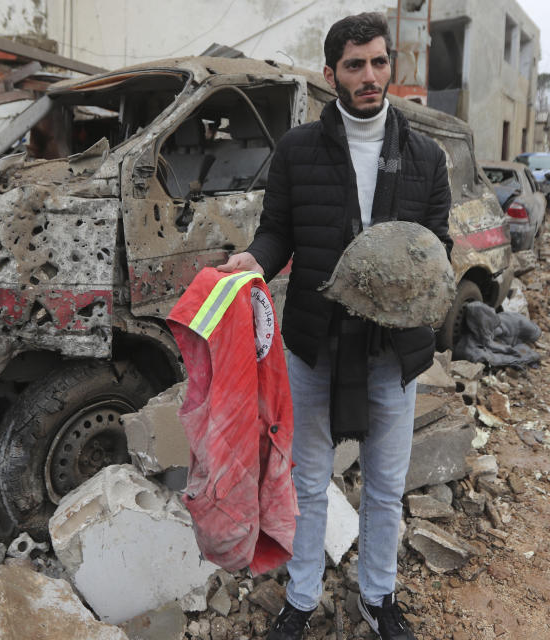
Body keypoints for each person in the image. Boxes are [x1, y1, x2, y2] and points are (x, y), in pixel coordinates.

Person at [217, 12, 451, 640]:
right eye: (355, 65)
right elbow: (277, 233)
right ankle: (300, 598)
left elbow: (437, 247)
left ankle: (379, 596)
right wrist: (254, 263)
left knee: (384, 486)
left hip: (393, 350)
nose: (370, 75)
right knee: (309, 478)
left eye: (379, 62)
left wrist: (430, 290)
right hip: (314, 342)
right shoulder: (298, 149)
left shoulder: (426, 157)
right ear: (331, 75)